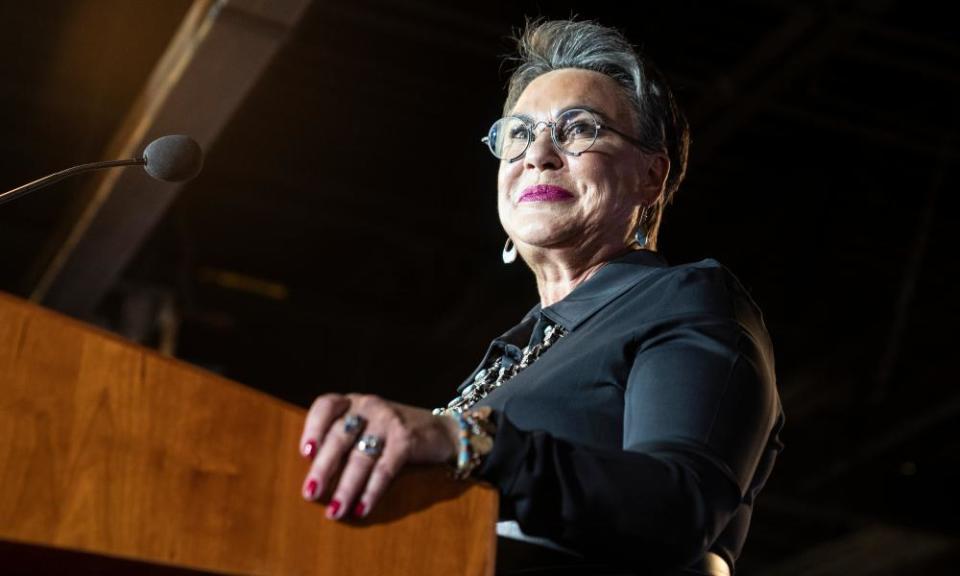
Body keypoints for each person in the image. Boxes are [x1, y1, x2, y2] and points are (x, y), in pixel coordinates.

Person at [298, 19, 783, 576]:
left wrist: (469, 444)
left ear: (651, 176)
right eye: (519, 134)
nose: (540, 154)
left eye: (579, 129)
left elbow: (678, 507)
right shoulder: (505, 360)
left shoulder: (686, 299)